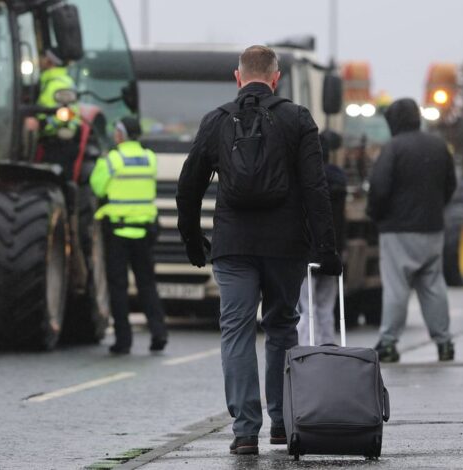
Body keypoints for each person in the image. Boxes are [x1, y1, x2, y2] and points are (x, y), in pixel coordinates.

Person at [176, 45, 341, 455]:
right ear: (275, 78)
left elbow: (188, 186)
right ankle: (284, 422)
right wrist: (327, 248)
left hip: (232, 244)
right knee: (282, 326)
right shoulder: (297, 118)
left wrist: (194, 241)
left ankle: (245, 430)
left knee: (236, 330)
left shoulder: (216, 120)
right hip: (285, 245)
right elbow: (315, 188)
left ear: (237, 78)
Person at [367, 98, 457, 363]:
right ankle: (445, 343)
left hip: (398, 230)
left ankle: (388, 343)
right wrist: (436, 208)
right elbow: (450, 184)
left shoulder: (393, 148)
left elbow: (379, 188)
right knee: (433, 286)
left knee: (397, 286)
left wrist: (376, 215)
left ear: (394, 121)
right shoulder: (439, 145)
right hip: (432, 228)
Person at [90, 117, 167, 355]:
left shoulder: (112, 160)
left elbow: (97, 187)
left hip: (118, 232)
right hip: (144, 230)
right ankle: (159, 334)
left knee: (118, 287)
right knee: (147, 284)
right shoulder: (149, 158)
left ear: (121, 134)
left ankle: (123, 341)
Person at [296, 131, 348, 346]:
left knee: (306, 308)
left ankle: (307, 349)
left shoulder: (302, 179)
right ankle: (328, 347)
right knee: (327, 306)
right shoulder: (339, 179)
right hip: (332, 252)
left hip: (307, 251)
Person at [36, 49, 82, 179]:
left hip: (59, 144)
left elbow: (67, 113)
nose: (39, 60)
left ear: (50, 61)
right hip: (53, 143)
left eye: (43, 56)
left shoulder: (59, 84)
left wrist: (42, 124)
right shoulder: (49, 82)